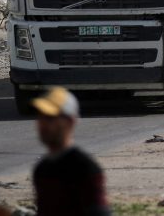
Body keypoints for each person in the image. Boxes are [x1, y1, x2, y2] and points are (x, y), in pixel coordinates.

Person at [30, 87, 110, 216]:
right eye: (40, 117)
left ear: (70, 121)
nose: (42, 124)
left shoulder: (83, 167)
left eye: (50, 118)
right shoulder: (42, 168)